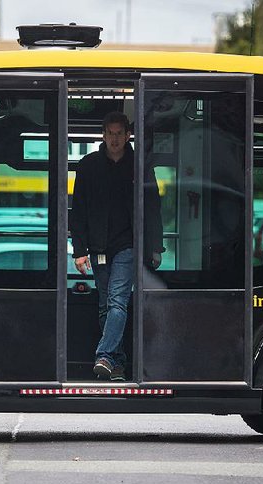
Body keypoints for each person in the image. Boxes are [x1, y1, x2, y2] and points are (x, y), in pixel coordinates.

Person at [70, 111, 164, 381]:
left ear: (127, 135)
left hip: (128, 245)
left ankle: (104, 355)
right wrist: (79, 251)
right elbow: (79, 211)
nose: (114, 139)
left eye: (119, 133)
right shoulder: (88, 165)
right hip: (98, 247)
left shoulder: (140, 165)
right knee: (105, 305)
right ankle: (118, 364)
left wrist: (154, 246)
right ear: (103, 135)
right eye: (110, 133)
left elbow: (153, 207)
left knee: (117, 300)